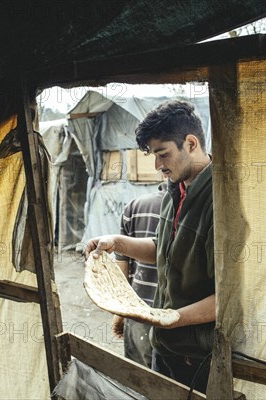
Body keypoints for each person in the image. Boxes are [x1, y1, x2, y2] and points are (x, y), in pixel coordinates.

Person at [85, 100, 214, 393]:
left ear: (191, 143)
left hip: (197, 355)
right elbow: (165, 249)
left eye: (163, 154)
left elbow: (229, 295)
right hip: (165, 344)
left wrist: (172, 318)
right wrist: (116, 242)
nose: (157, 166)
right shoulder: (175, 190)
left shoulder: (218, 200)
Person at [112, 182, 166, 368]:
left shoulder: (134, 207)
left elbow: (122, 266)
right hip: (174, 316)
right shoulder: (189, 208)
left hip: (137, 312)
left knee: (138, 380)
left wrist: (120, 312)